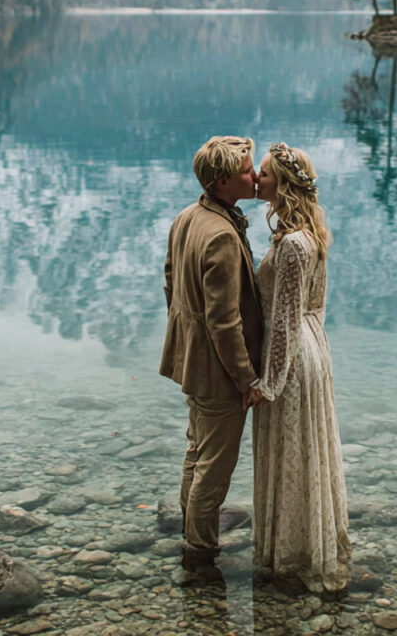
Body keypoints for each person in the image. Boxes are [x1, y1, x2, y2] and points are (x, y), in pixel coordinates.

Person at [160, 135, 266, 576]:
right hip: (219, 372)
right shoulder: (221, 234)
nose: (255, 175)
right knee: (216, 468)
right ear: (223, 181)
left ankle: (192, 529)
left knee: (196, 450)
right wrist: (246, 379)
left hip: (191, 360)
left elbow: (170, 280)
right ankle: (201, 552)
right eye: (246, 170)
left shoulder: (189, 216)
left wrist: (187, 339)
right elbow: (225, 321)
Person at [252, 142, 351, 593]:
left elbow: (286, 321)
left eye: (266, 174)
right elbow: (315, 310)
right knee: (305, 453)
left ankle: (290, 554)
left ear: (285, 185)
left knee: (292, 453)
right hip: (314, 347)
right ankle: (305, 545)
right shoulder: (311, 234)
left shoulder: (293, 244)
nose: (258, 178)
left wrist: (267, 384)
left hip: (291, 357)